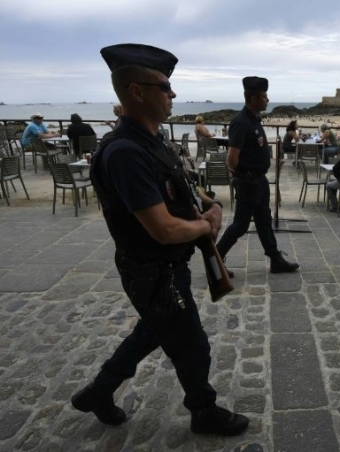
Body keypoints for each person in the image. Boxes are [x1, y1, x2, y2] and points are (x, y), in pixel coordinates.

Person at [71, 43, 248, 437]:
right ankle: (203, 411)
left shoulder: (153, 141)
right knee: (193, 345)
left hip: (166, 267)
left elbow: (183, 186)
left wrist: (211, 204)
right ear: (136, 91)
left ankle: (99, 391)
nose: (172, 95)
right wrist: (204, 228)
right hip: (154, 271)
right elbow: (163, 228)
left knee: (152, 331)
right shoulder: (124, 153)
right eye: (165, 86)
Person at [216, 76, 299, 273]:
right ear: (253, 98)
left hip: (259, 181)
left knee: (264, 220)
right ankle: (216, 260)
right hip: (249, 182)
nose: (267, 100)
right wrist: (243, 177)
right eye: (264, 96)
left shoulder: (254, 119)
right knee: (240, 225)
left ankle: (276, 259)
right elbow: (231, 158)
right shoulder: (241, 122)